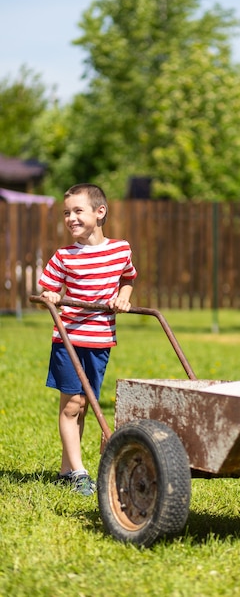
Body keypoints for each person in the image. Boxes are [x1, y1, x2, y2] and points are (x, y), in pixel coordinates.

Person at [38, 183, 137, 496]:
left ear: (99, 212)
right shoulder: (64, 256)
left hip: (100, 340)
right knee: (72, 405)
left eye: (78, 211)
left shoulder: (120, 249)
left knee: (84, 406)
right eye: (67, 212)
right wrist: (51, 295)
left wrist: (123, 297)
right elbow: (47, 288)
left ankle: (67, 470)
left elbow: (128, 277)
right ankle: (79, 473)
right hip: (68, 338)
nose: (71, 218)